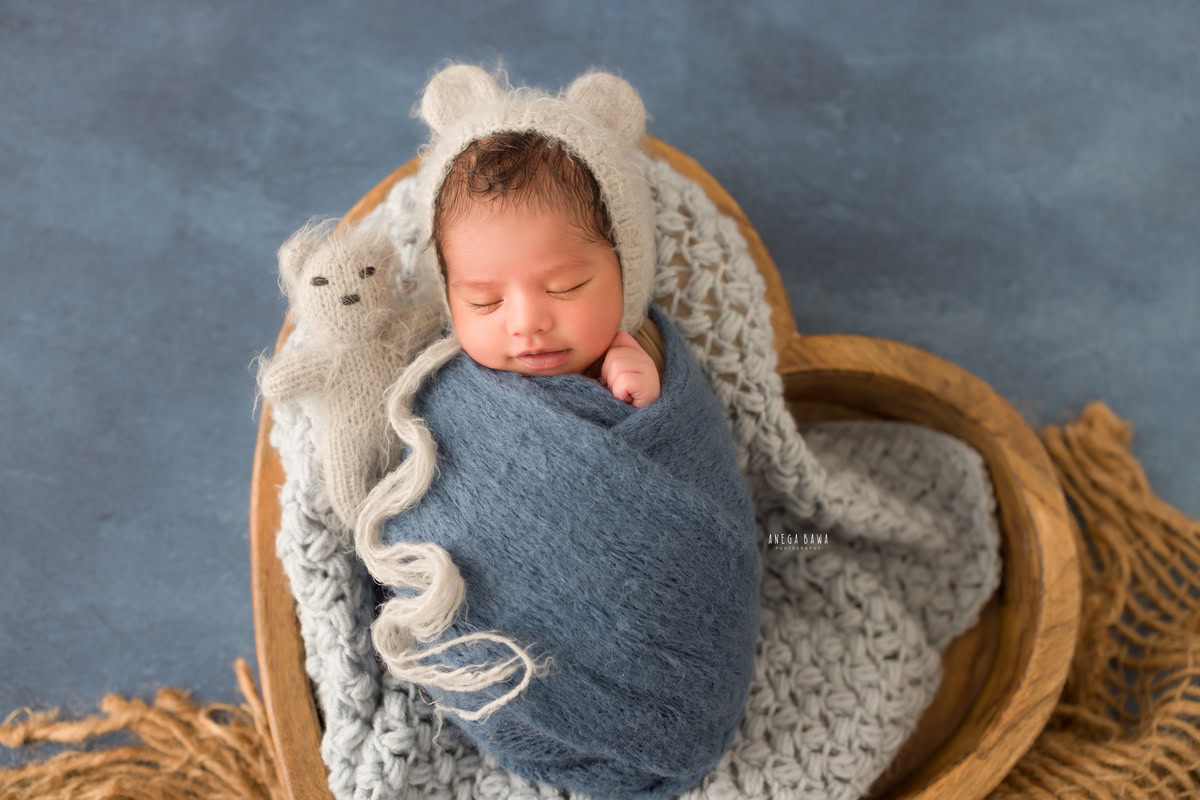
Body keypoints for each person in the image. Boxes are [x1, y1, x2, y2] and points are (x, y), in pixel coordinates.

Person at [432, 130, 665, 408]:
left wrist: (648, 403)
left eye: (565, 287)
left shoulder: (652, 357)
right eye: (485, 301)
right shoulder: (438, 383)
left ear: (627, 272)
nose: (527, 323)